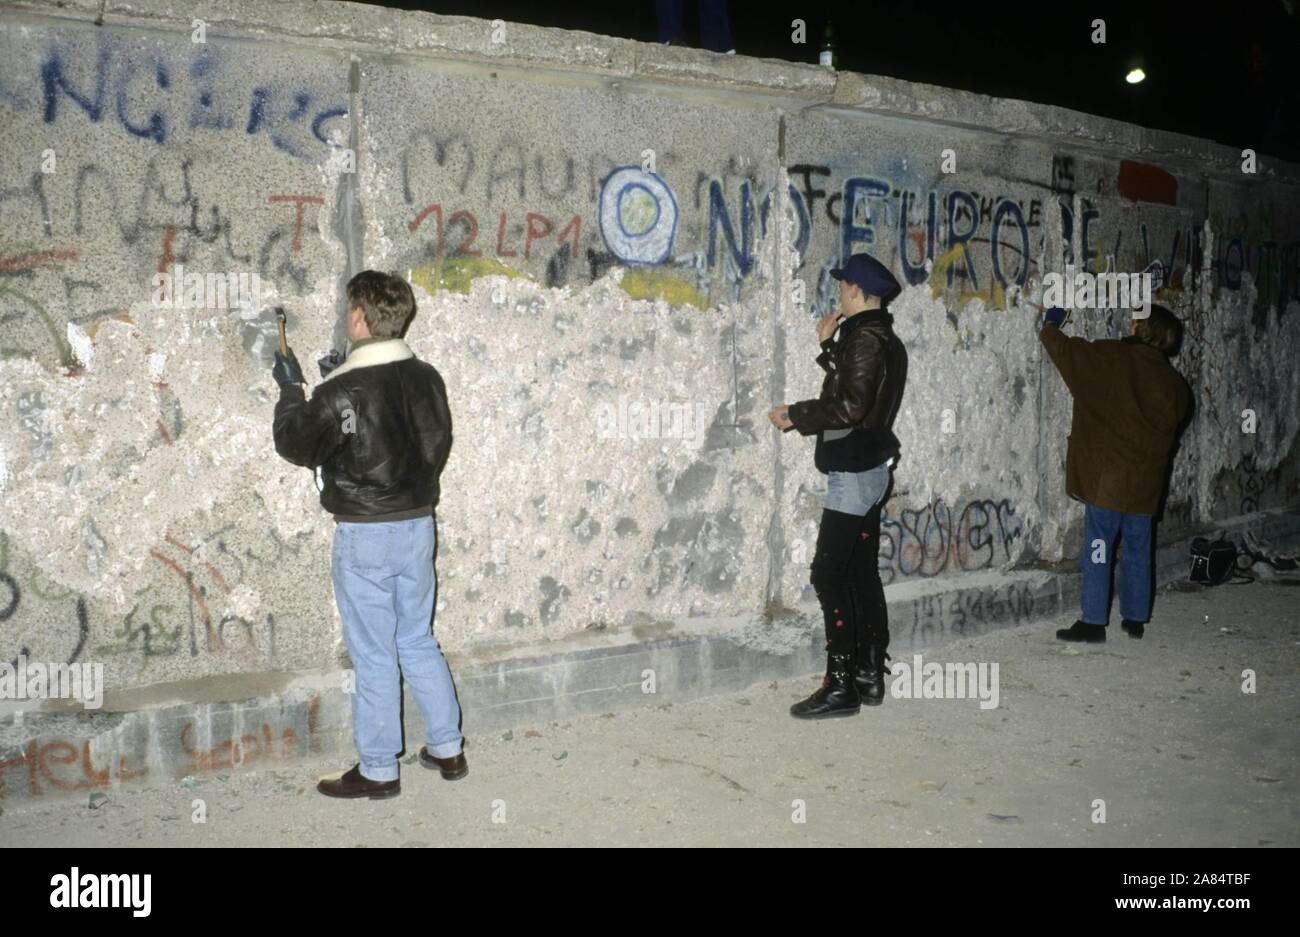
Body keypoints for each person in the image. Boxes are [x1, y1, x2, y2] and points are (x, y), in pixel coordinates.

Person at [272, 270, 466, 798]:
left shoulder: (342, 390)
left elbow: (296, 444)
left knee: (376, 652)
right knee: (417, 638)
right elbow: (429, 442)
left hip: (366, 534)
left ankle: (379, 769)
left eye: (346, 311)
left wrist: (292, 388)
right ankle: (448, 748)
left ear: (358, 317)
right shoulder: (428, 377)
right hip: (418, 524)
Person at [769, 253, 908, 718]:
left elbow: (848, 408)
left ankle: (840, 684)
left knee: (828, 574)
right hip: (869, 468)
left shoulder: (866, 341)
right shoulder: (878, 338)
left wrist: (796, 413)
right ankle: (868, 672)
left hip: (853, 473)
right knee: (860, 572)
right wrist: (828, 347)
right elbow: (860, 395)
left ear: (854, 290)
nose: (838, 295)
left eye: (843, 287)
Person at [1039, 303, 1191, 642]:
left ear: (1140, 328)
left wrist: (1050, 324)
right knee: (1139, 547)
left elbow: (1067, 353)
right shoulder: (1175, 385)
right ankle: (1135, 618)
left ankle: (1093, 621)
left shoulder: (1112, 358)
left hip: (1108, 481)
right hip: (1147, 484)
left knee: (1098, 545)